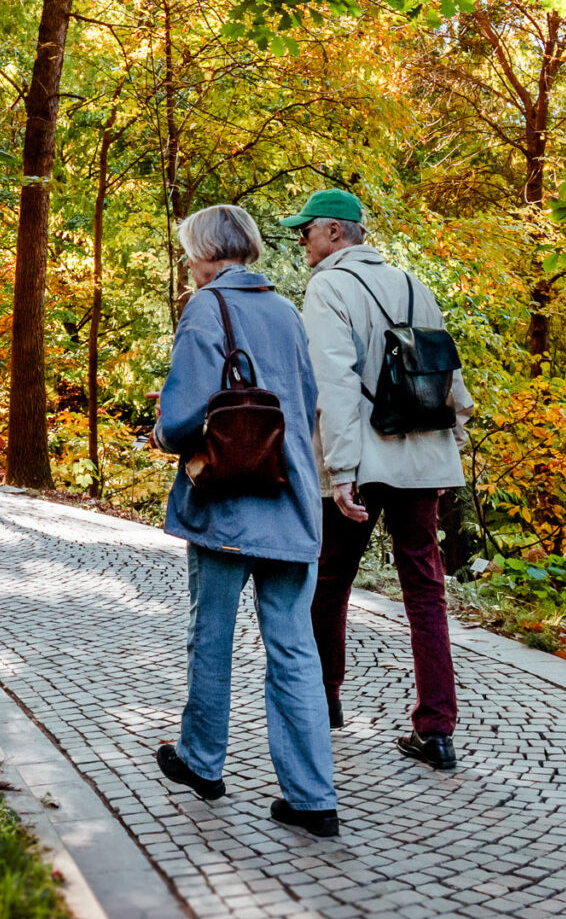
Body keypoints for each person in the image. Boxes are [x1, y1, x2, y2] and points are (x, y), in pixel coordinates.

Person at [149, 203, 341, 839]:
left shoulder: (206, 307)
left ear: (206, 252)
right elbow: (305, 403)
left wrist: (162, 429)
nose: (188, 264)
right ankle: (312, 797)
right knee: (294, 647)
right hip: (292, 500)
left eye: (190, 252)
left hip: (229, 502)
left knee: (212, 635)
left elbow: (183, 415)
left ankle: (202, 762)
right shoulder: (286, 310)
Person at [282, 187, 473, 772]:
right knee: (426, 591)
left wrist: (341, 471)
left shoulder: (328, 288)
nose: (301, 241)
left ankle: (323, 703)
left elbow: (334, 385)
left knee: (328, 582)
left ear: (334, 232)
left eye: (306, 231)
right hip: (423, 458)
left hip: (363, 460)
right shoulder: (414, 285)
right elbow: (448, 373)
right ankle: (436, 730)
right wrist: (451, 443)